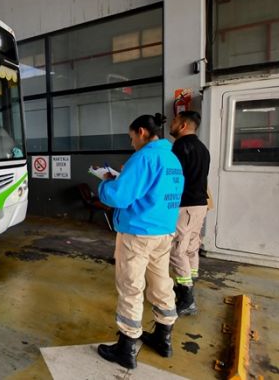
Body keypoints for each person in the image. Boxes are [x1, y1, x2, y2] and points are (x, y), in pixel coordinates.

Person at [96, 113, 184, 370]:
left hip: (138, 232)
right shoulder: (171, 158)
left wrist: (106, 184)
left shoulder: (144, 157)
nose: (132, 141)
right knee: (160, 282)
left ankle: (126, 348)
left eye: (132, 136)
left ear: (142, 132)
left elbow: (119, 197)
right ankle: (163, 338)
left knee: (131, 286)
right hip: (164, 231)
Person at [168, 110, 210, 316]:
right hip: (200, 205)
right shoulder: (202, 148)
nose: (171, 124)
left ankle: (186, 299)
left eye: (175, 121)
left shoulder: (180, 146)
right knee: (191, 247)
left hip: (185, 206)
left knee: (176, 251)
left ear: (183, 125)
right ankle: (189, 284)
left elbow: (173, 178)